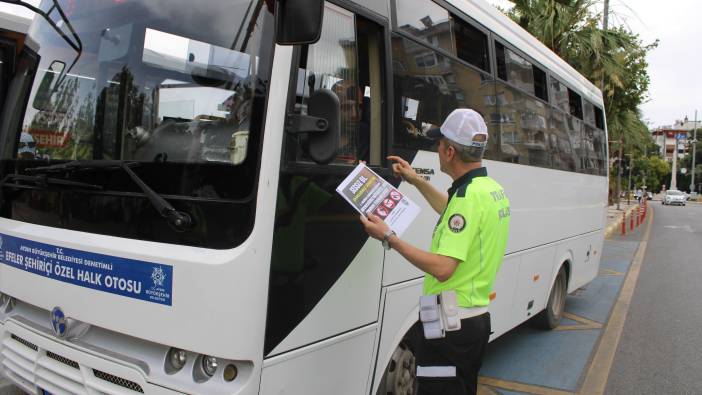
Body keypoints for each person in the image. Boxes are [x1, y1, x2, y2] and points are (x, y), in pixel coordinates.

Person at [359, 109, 511, 394]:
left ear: (450, 151)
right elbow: (450, 209)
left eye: (439, 144)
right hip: (473, 322)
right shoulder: (488, 189)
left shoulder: (468, 198)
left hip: (452, 330)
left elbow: (443, 268)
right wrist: (415, 180)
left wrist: (389, 236)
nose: (437, 150)